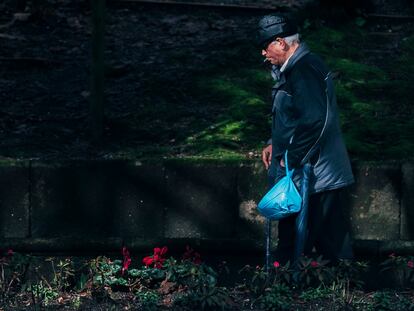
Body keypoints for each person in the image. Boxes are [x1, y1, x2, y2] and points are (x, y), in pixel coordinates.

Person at [256, 15, 354, 263]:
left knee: (325, 241)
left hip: (316, 173)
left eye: (266, 47)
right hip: (306, 172)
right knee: (305, 238)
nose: (263, 54)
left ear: (280, 42)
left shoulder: (304, 70)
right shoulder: (294, 69)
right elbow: (294, 115)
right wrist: (273, 141)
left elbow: (314, 121)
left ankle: (336, 291)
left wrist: (291, 156)